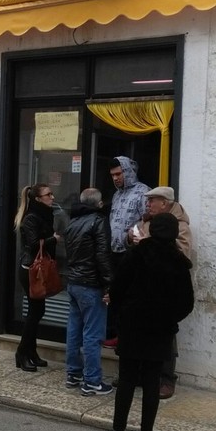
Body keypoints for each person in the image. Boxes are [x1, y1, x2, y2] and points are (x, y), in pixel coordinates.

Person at [108, 213, 194, 431]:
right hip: (160, 330)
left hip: (132, 326)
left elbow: (116, 289)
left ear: (152, 230)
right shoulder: (179, 263)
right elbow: (187, 303)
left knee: (126, 379)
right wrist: (168, 319)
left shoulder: (135, 255)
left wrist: (121, 315)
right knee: (152, 382)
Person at [127, 185, 192, 400]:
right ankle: (137, 375)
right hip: (143, 285)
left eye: (152, 200)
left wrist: (147, 243)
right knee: (140, 331)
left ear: (164, 203)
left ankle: (166, 378)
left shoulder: (180, 225)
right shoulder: (147, 220)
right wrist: (131, 237)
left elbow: (182, 253)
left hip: (165, 287)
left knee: (166, 332)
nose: (148, 204)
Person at [63, 187, 114, 396]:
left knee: (74, 329)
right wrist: (109, 285)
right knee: (93, 334)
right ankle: (92, 381)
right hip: (91, 284)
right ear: (98, 203)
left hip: (73, 282)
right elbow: (102, 255)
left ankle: (73, 373)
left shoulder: (73, 221)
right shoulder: (98, 221)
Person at [103, 157, 149, 347]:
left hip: (131, 253)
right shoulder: (116, 195)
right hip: (114, 251)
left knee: (128, 295)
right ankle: (115, 333)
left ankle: (125, 335)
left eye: (118, 174)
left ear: (128, 172)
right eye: (112, 175)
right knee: (113, 294)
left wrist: (133, 236)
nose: (115, 178)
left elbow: (147, 221)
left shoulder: (143, 192)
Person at [13, 183, 58, 372]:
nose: (52, 197)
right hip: (31, 269)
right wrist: (53, 239)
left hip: (36, 268)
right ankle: (22, 354)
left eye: (52, 193)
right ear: (38, 199)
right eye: (48, 194)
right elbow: (32, 245)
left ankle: (31, 352)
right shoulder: (31, 218)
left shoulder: (45, 214)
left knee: (38, 311)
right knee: (35, 313)